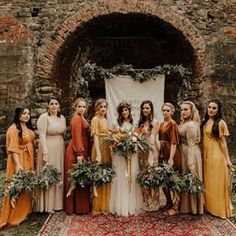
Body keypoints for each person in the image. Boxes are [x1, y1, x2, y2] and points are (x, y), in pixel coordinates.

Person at [0, 107, 35, 228]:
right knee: (17, 184)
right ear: (18, 115)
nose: (27, 115)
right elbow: (13, 148)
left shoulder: (27, 127)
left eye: (28, 113)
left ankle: (25, 211)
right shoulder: (13, 128)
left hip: (28, 158)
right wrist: (18, 164)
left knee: (25, 184)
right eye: (24, 113)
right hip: (18, 159)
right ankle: (14, 215)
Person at [201, 99, 233, 219]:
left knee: (217, 184)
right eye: (209, 107)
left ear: (218, 110)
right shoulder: (205, 121)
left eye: (214, 108)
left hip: (217, 157)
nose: (211, 110)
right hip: (207, 156)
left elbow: (223, 143)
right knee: (209, 183)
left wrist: (228, 160)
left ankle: (219, 210)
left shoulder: (220, 123)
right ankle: (210, 206)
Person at [109, 102, 143, 216]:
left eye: (126, 110)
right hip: (120, 155)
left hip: (131, 154)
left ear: (129, 112)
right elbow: (113, 140)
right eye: (122, 110)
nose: (124, 112)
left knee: (131, 177)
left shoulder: (134, 125)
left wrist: (133, 143)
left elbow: (136, 138)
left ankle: (131, 204)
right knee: (121, 177)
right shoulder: (116, 125)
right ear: (120, 113)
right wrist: (118, 144)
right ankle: (121, 205)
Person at [36, 96, 66, 213]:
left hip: (59, 148)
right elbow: (42, 135)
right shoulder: (44, 118)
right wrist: (45, 153)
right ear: (48, 106)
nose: (54, 106)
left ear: (59, 106)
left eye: (56, 104)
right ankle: (48, 205)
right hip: (48, 147)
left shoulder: (62, 118)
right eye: (52, 104)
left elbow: (63, 134)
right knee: (49, 173)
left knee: (58, 173)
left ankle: (58, 204)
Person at [64, 98, 90, 215]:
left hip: (82, 148)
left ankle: (81, 207)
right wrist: (79, 154)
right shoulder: (76, 119)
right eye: (79, 106)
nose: (82, 109)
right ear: (75, 107)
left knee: (81, 177)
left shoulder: (81, 117)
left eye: (84, 107)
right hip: (76, 150)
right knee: (76, 176)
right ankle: (75, 207)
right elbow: (76, 137)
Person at [179, 101, 204, 215]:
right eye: (182, 109)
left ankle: (193, 208)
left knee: (191, 179)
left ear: (191, 111)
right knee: (185, 178)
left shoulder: (191, 125)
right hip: (184, 151)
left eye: (186, 109)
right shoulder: (185, 123)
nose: (183, 112)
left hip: (191, 154)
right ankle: (186, 205)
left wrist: (190, 163)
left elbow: (191, 145)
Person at [159, 102, 182, 216]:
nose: (165, 112)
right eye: (164, 110)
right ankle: (168, 201)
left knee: (173, 179)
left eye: (168, 110)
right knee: (164, 179)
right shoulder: (162, 123)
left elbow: (174, 142)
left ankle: (175, 206)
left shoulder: (173, 124)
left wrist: (171, 158)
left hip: (171, 153)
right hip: (162, 153)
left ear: (172, 112)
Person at [136, 100, 160, 211]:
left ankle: (153, 202)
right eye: (143, 108)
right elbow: (137, 136)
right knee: (143, 175)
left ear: (151, 109)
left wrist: (151, 156)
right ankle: (145, 201)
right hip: (141, 152)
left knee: (151, 175)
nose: (145, 110)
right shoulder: (141, 122)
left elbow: (152, 139)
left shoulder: (154, 122)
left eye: (147, 108)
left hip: (151, 151)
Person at [91, 98, 111, 215]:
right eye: (101, 107)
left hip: (106, 147)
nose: (103, 109)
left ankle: (104, 206)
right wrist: (98, 153)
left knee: (105, 174)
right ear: (97, 108)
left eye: (105, 107)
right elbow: (95, 137)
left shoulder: (105, 119)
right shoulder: (95, 119)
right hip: (99, 147)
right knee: (98, 174)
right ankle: (97, 206)